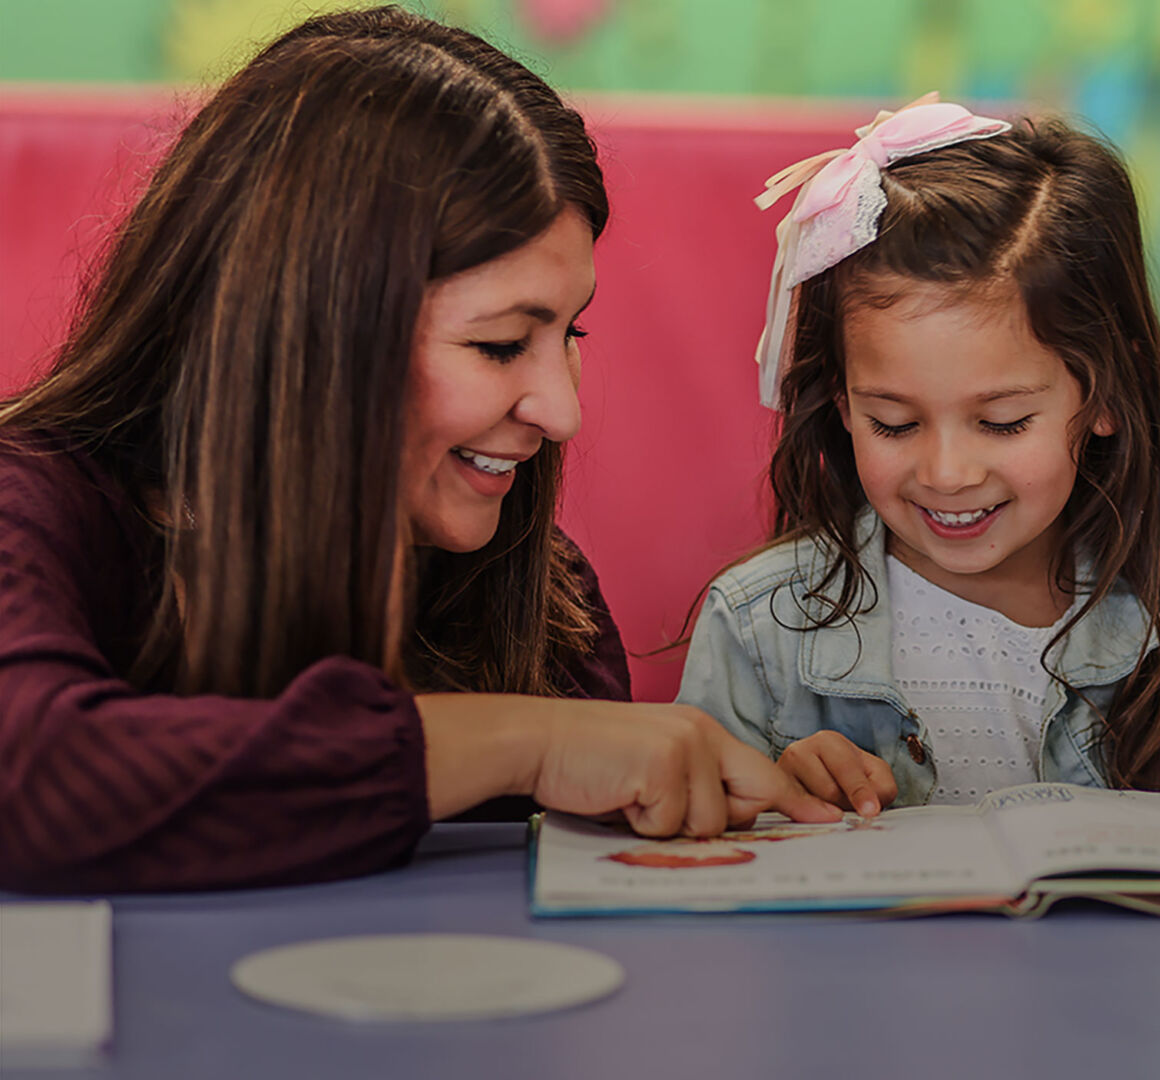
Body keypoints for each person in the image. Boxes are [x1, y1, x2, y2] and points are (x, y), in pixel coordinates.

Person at [0, 7, 834, 894]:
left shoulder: (534, 598)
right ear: (312, 332)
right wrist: (519, 742)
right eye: (502, 344)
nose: (561, 411)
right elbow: (35, 783)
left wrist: (755, 785)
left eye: (570, 333)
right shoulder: (38, 506)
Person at [674, 98, 1160, 814]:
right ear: (841, 405)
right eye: (894, 424)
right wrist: (772, 801)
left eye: (1002, 422)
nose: (946, 474)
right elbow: (694, 857)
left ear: (1108, 398)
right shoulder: (758, 626)